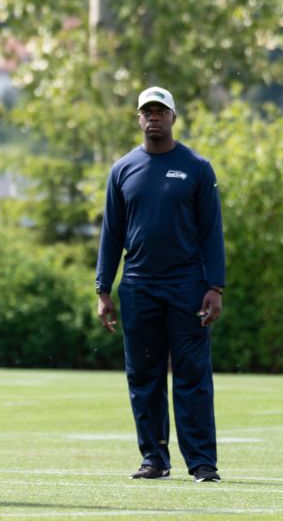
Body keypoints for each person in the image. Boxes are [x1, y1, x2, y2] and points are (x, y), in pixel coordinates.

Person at [95, 86, 226, 483]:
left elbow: (211, 233)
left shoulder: (196, 168)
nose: (153, 117)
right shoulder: (122, 170)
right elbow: (111, 233)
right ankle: (154, 459)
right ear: (138, 118)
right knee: (144, 376)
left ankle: (202, 463)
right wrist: (103, 288)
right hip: (138, 286)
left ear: (173, 117)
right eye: (146, 111)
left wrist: (215, 287)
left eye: (160, 110)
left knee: (192, 374)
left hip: (187, 285)